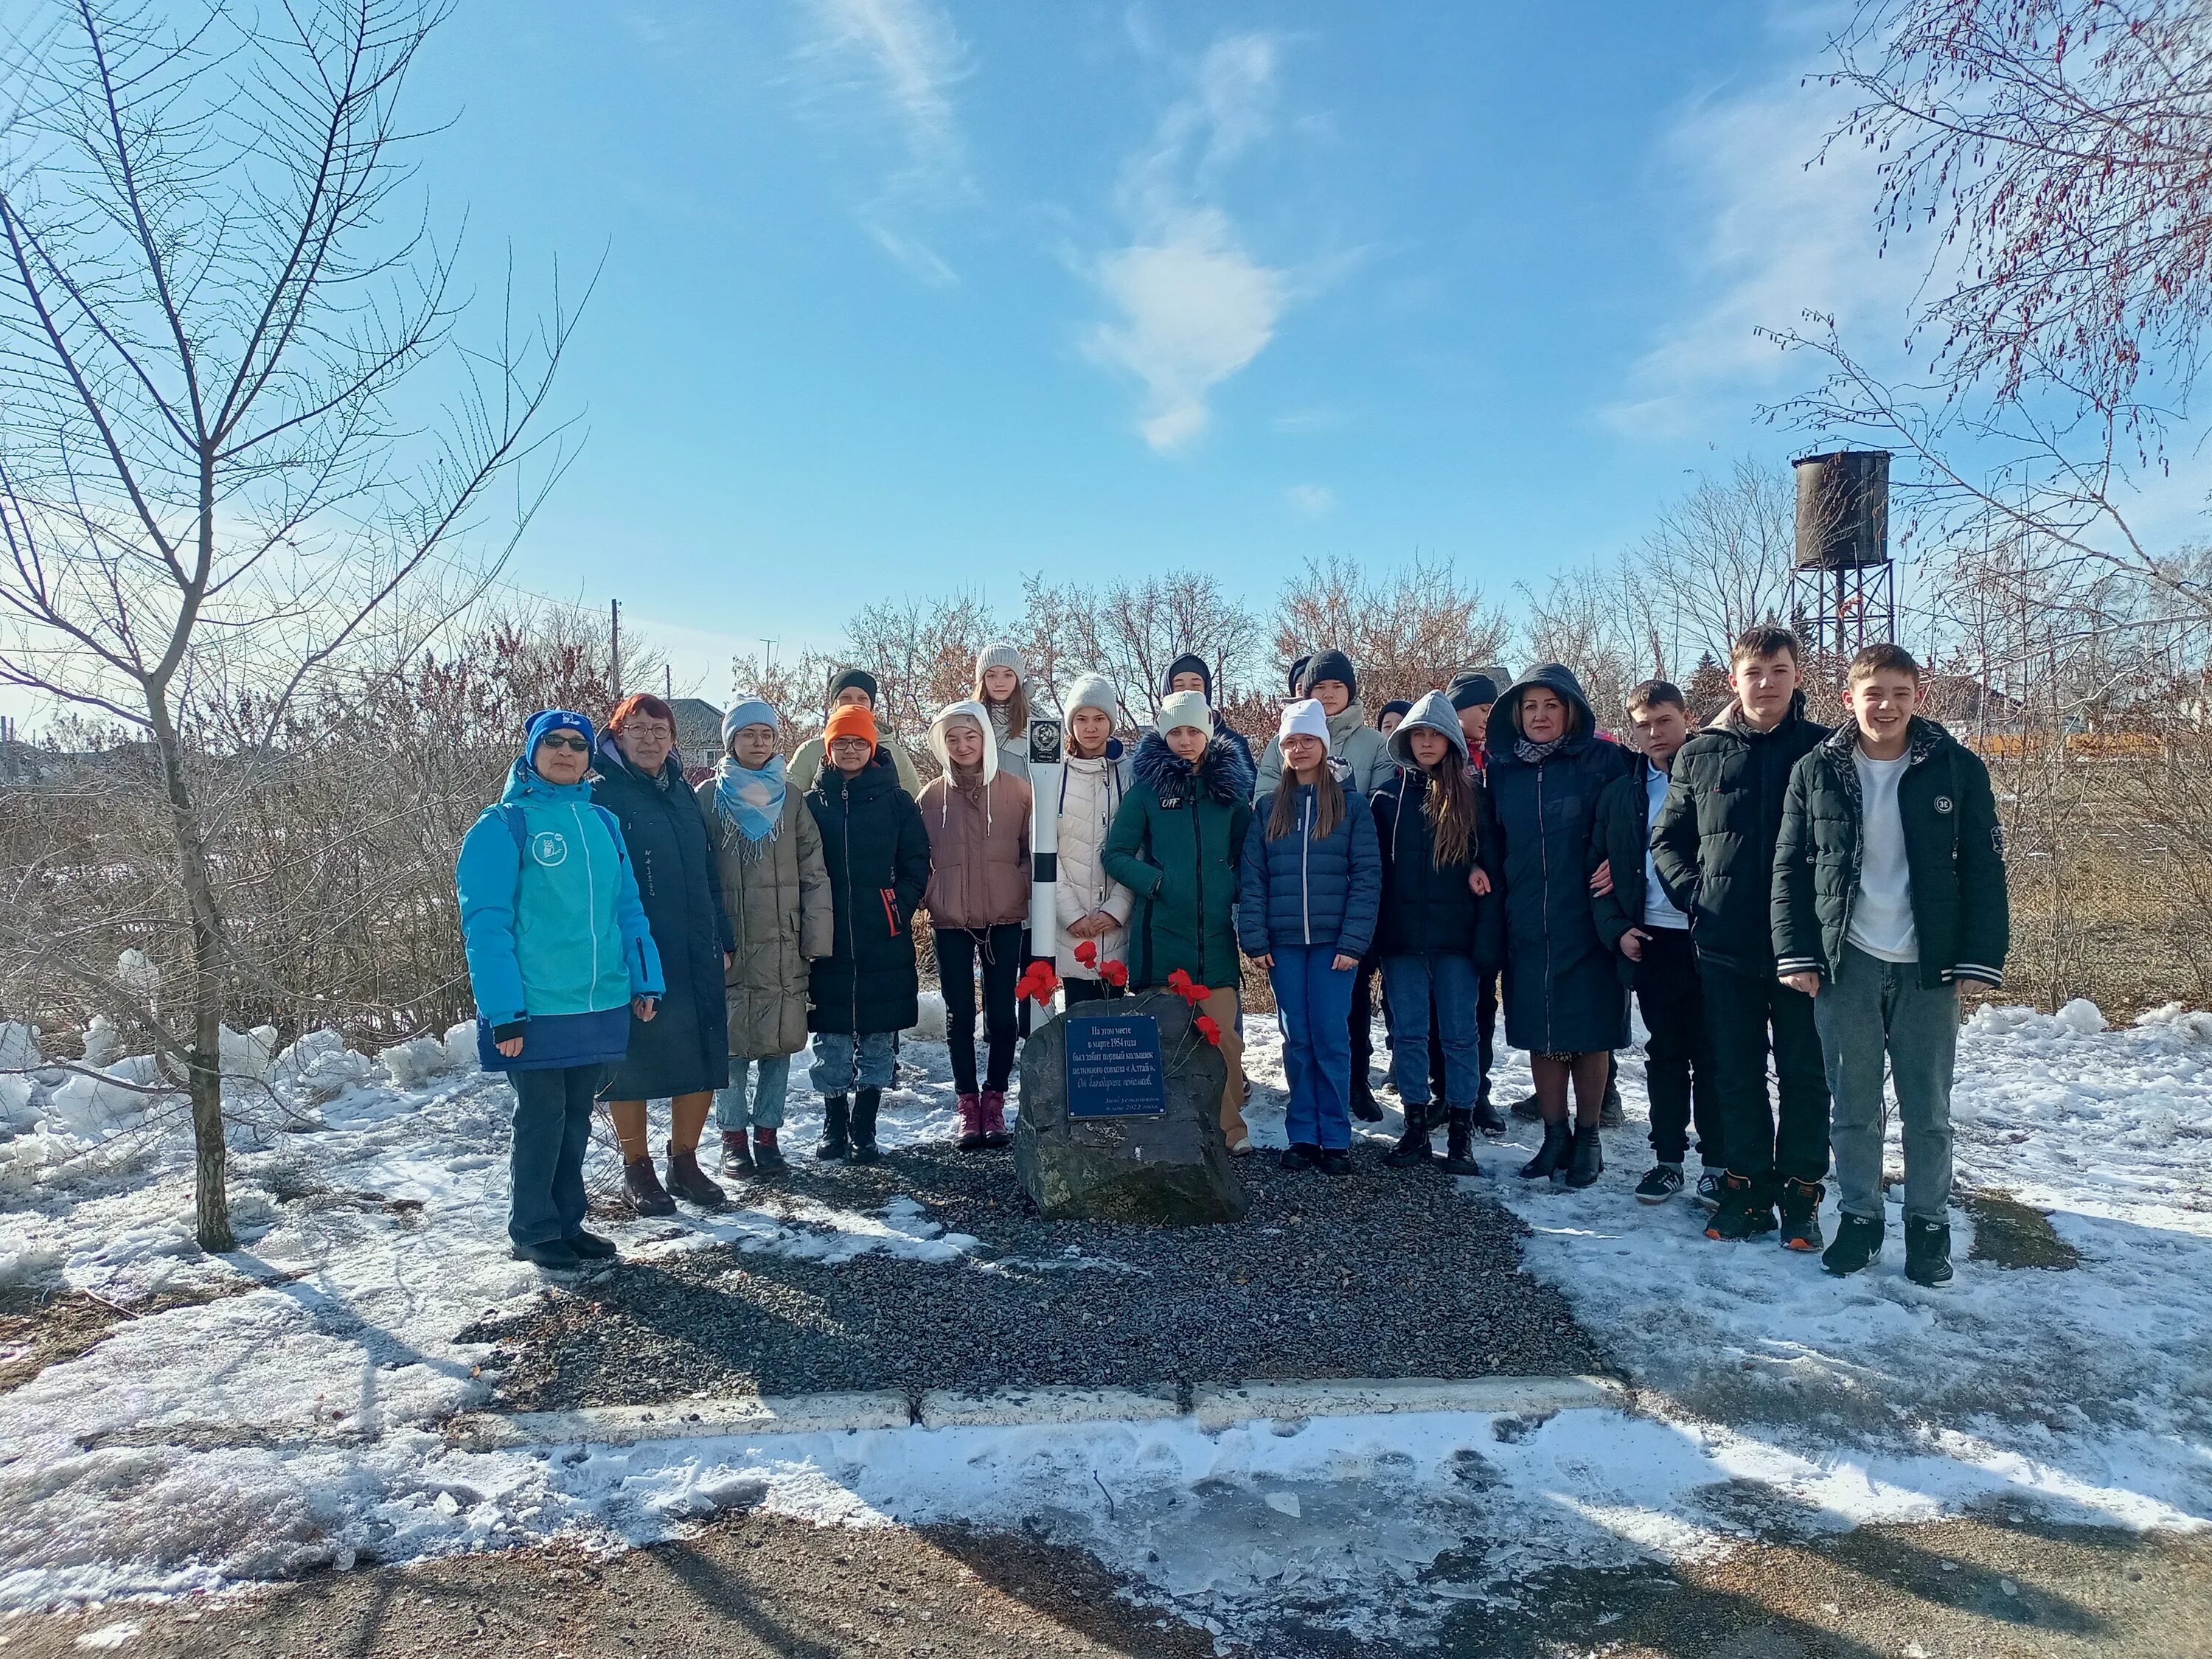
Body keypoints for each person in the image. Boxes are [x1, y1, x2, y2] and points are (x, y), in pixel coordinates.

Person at [1774, 644, 2008, 1286]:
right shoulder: (1817, 770)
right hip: (1846, 959)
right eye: (1874, 693)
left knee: (1927, 1107)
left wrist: (1978, 958)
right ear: (1849, 698)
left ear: (1918, 699)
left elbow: (1985, 869)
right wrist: (1796, 952)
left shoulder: (1955, 768)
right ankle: (1859, 1221)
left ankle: (1929, 1231)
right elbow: (1790, 867)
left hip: (1927, 965)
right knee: (1852, 1105)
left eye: (1900, 694)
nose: (1887, 706)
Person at [456, 709, 663, 1269]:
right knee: (542, 1118)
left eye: (578, 743)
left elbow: (628, 910)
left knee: (575, 1116)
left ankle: (568, 1223)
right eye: (554, 743)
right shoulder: (501, 826)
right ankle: (532, 1228)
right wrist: (505, 1011)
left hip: (599, 1001)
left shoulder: (603, 823)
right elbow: (486, 926)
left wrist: (645, 978)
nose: (567, 752)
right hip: (536, 1006)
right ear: (532, 753)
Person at [1652, 626, 1832, 1247]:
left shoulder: (1825, 751)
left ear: (1797, 676)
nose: (1767, 683)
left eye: (1779, 671)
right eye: (1754, 673)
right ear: (1735, 681)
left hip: (1804, 946)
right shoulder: (1700, 753)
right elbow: (1668, 841)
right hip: (1724, 945)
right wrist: (1698, 901)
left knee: (1805, 1073)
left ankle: (1802, 1194)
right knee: (1735, 1072)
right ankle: (1746, 1190)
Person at [1482, 665, 1635, 1189]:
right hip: (1526, 915)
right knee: (1540, 1032)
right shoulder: (1502, 770)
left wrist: (1624, 857)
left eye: (1551, 705)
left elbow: (1647, 810)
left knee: (1590, 1032)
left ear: (1571, 710)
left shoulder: (1606, 760)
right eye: (1530, 707)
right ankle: (1554, 1136)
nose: (1541, 715)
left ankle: (1589, 1137)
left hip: (1590, 914)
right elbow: (1488, 836)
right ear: (1516, 715)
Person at [593, 693, 734, 1214]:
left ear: (674, 739)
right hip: (634, 948)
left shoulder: (682, 791)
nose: (650, 739)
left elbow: (708, 872)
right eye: (638, 729)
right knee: (631, 1059)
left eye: (660, 730)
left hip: (695, 944)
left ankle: (685, 1162)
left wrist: (724, 937)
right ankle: (638, 1170)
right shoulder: (599, 793)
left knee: (701, 1052)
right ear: (617, 735)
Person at [1102, 689, 1256, 1151]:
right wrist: (1157, 883)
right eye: (1176, 732)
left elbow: (1248, 856)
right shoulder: (1147, 790)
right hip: (1162, 934)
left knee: (1225, 1039)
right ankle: (1171, 1132)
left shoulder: (1230, 793)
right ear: (1163, 736)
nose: (1185, 741)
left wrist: (1232, 888)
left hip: (1216, 938)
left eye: (1193, 731)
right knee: (1169, 1041)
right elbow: (1115, 853)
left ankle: (1231, 1132)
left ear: (1208, 733)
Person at [1590, 681, 1719, 1204]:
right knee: (1665, 1056)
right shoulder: (1623, 793)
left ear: (1686, 718)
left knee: (1714, 1057)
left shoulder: (1715, 776)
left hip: (1710, 939)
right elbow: (1596, 871)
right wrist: (1618, 929)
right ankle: (1667, 1161)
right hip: (1652, 940)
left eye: (1663, 721)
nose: (1653, 733)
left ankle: (1718, 1162)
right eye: (1642, 725)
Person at [1239, 700, 1382, 1174]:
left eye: (1307, 740)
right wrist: (1255, 939)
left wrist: (1353, 942)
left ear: (1324, 744)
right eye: (1290, 743)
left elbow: (1367, 877)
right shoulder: (1268, 809)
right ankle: (1303, 1134)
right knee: (1297, 1037)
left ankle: (1335, 1135)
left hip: (1332, 944)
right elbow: (1253, 878)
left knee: (1330, 1036)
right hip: (1283, 944)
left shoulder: (1351, 806)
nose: (1299, 750)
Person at [698, 698, 832, 1178]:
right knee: (732, 1049)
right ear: (731, 739)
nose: (758, 742)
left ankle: (768, 1137)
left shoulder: (792, 798)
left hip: (782, 942)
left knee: (780, 1044)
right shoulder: (708, 797)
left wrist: (815, 939)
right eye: (748, 733)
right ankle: (732, 1139)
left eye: (767, 734)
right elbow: (696, 874)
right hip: (731, 943)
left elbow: (814, 872)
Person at [1372, 691, 1500, 1175]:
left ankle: (1462, 1134)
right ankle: (1415, 1126)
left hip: (1456, 942)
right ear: (1406, 740)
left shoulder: (1474, 796)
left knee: (1460, 1037)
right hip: (1401, 941)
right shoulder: (1386, 800)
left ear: (1451, 741)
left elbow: (1491, 865)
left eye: (1435, 734)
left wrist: (1477, 869)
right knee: (1407, 1035)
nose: (1426, 742)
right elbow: (1372, 873)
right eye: (1418, 734)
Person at [805, 700, 931, 1164]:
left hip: (884, 935)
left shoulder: (896, 801)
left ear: (873, 746)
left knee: (878, 1037)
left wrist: (897, 903)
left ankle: (865, 1127)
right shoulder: (810, 804)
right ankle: (833, 1124)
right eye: (842, 741)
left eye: (860, 741)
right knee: (832, 1038)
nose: (852, 749)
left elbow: (917, 861)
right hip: (828, 939)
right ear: (829, 747)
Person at [919, 699, 1033, 1150]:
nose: (963, 745)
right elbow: (913, 857)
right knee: (960, 1013)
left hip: (1004, 920)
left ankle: (995, 1100)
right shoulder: (929, 798)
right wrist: (933, 891)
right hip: (950, 922)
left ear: (986, 737)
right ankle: (967, 1103)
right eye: (952, 738)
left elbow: (1032, 852)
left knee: (1003, 1015)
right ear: (941, 744)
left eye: (971, 736)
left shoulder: (1018, 792)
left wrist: (1015, 887)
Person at [1053, 673, 1134, 1005]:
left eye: (1099, 718)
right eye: (1082, 719)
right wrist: (1070, 914)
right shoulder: (1053, 774)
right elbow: (1044, 849)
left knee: (1114, 1021)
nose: (1091, 727)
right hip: (1071, 922)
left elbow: (1140, 847)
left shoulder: (1129, 773)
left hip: (1116, 922)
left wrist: (1117, 910)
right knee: (1079, 1015)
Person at [1253, 650, 1395, 799]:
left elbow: (1380, 807)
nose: (1328, 694)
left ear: (1349, 691)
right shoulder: (1283, 744)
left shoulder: (1376, 744)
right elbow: (1265, 802)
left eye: (1337, 686)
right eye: (1320, 687)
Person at [788, 667, 923, 796]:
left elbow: (912, 804)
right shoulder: (810, 750)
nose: (854, 703)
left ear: (871, 705)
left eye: (862, 699)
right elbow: (790, 804)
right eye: (846, 698)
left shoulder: (894, 753)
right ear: (834, 704)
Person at [1161, 653, 1255, 771]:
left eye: (1196, 685)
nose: (1188, 691)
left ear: (1207, 689)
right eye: (1179, 686)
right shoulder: (1154, 749)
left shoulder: (1234, 743)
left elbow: (1252, 787)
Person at [973, 643, 1033, 782]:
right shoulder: (970, 718)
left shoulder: (1036, 718)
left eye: (1008, 675)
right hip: (982, 798)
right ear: (982, 680)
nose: (1000, 683)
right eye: (992, 676)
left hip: (1028, 799)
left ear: (1017, 679)